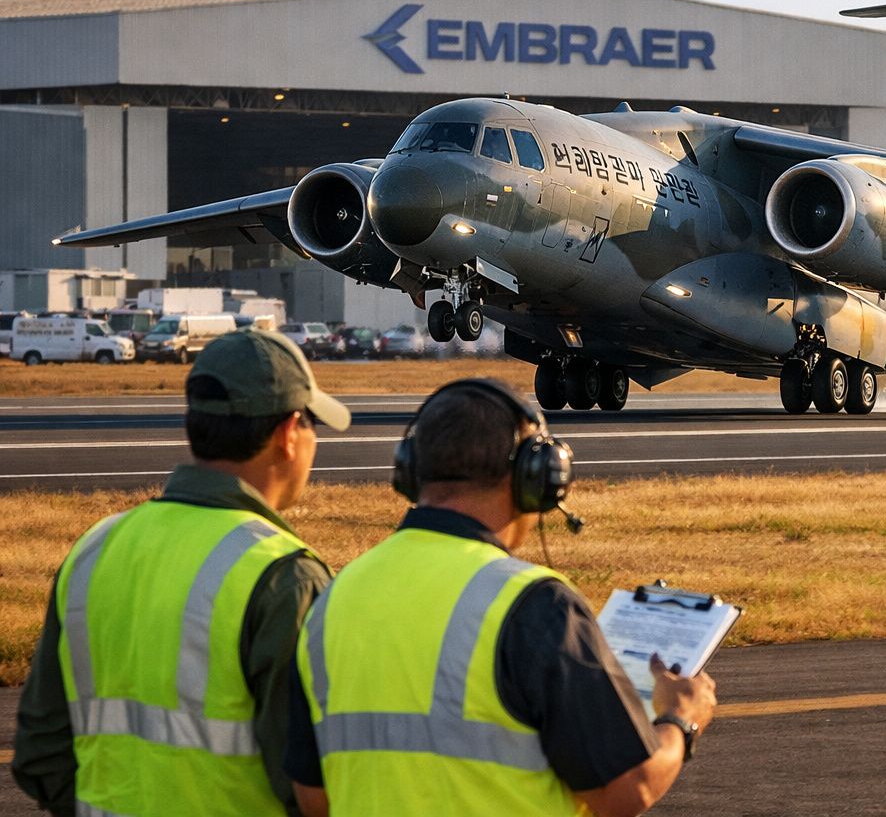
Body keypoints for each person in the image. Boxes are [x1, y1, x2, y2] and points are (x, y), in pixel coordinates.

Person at [285, 378, 717, 817]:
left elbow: (313, 798)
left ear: (411, 472)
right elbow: (628, 789)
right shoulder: (533, 605)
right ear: (536, 479)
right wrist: (681, 719)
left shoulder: (334, 598)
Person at [12, 329, 352, 816]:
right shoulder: (283, 577)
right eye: (313, 424)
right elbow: (312, 789)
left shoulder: (95, 549)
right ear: (287, 434)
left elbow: (40, 754)